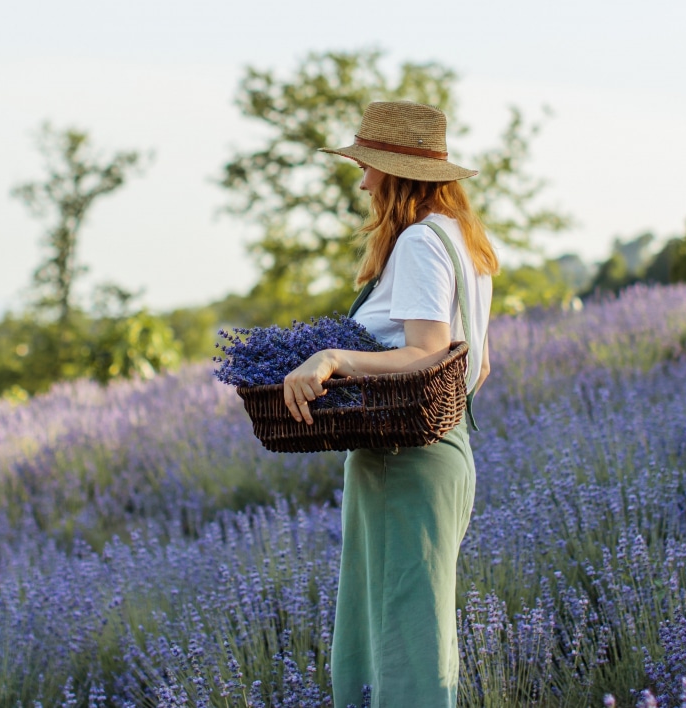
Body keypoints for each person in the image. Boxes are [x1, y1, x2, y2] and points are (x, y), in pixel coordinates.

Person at [282, 101, 497, 708]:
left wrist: (333, 358)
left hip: (402, 462)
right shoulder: (466, 244)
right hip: (440, 453)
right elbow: (475, 363)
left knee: (401, 642)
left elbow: (428, 352)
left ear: (397, 175)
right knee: (407, 630)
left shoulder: (421, 245)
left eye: (370, 168)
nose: (363, 181)